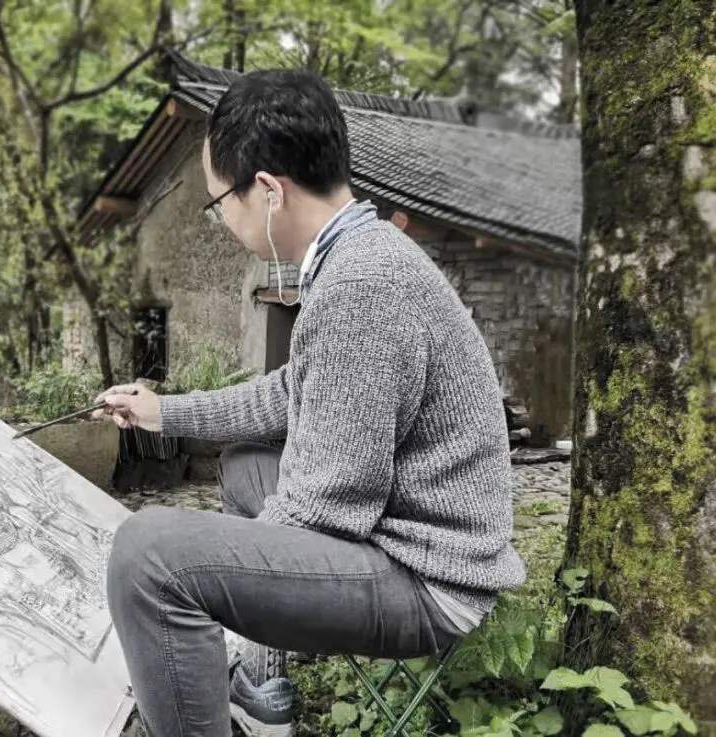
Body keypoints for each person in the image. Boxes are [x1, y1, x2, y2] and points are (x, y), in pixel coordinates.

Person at [93, 68, 526, 737]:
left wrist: (205, 586)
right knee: (243, 468)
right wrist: (164, 412)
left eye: (219, 201)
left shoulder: (360, 286)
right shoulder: (358, 255)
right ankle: (255, 687)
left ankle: (218, 695)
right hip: (402, 528)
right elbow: (289, 393)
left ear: (268, 191)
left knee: (146, 555)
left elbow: (329, 505)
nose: (221, 218)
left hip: (428, 578)